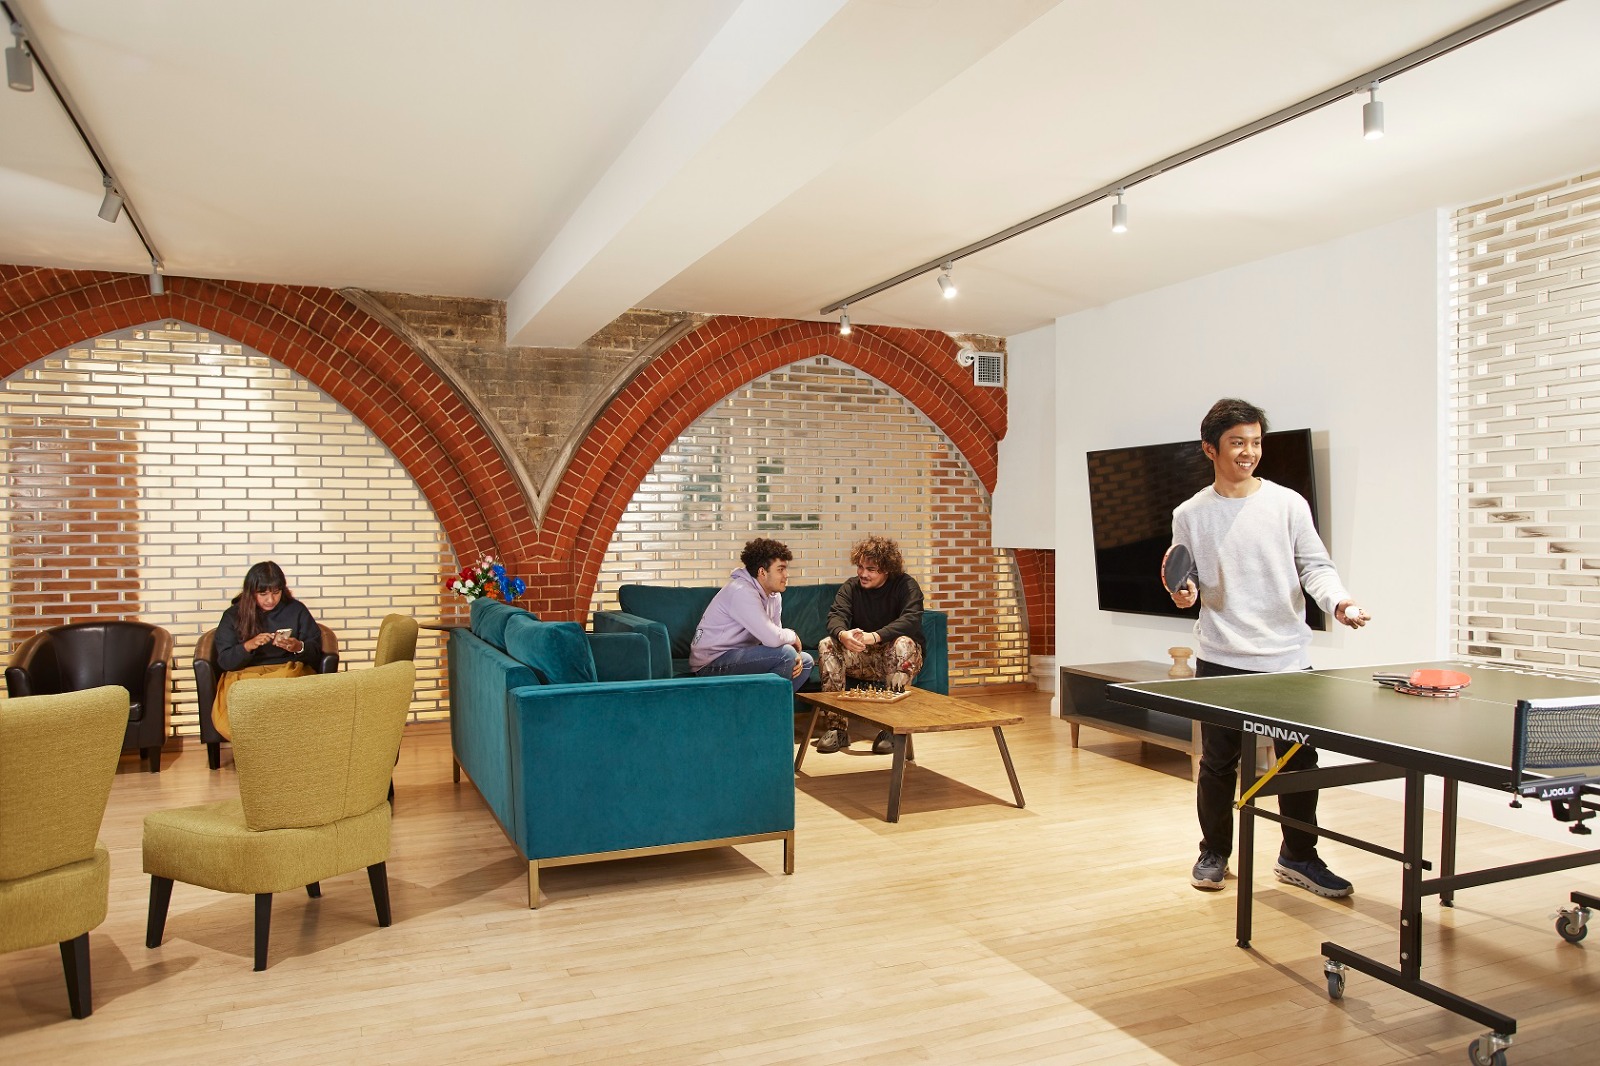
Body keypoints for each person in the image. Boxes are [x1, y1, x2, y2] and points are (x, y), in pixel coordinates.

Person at [1168, 398, 1369, 898]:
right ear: (1210, 449)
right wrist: (1184, 594)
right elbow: (1187, 575)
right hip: (1221, 658)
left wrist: (1339, 602)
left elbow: (1314, 567)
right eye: (1237, 442)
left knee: (1298, 763)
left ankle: (1299, 857)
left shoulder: (1288, 504)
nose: (1249, 452)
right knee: (1218, 764)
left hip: (1287, 661)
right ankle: (1214, 852)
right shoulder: (1190, 514)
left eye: (1256, 442)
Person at [814, 535, 926, 755]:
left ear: (887, 570)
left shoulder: (906, 585)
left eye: (871, 569)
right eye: (860, 567)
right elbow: (836, 616)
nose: (863, 574)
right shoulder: (851, 587)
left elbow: (911, 619)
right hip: (863, 657)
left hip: (899, 657)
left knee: (904, 643)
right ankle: (837, 729)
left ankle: (892, 728)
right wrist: (843, 634)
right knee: (827, 643)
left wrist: (875, 636)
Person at [212, 560, 323, 739]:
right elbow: (225, 661)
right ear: (251, 592)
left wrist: (298, 647)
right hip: (245, 675)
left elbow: (316, 650)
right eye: (262, 594)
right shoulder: (233, 615)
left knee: (289, 684)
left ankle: (283, 746)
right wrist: (248, 646)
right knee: (240, 697)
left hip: (286, 672)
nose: (270, 600)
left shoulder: (296, 610)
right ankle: (258, 747)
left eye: (276, 592)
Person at [690, 538, 814, 693]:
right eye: (780, 569)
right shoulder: (741, 591)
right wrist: (793, 636)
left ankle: (763, 704)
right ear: (762, 572)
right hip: (711, 663)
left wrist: (792, 649)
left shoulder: (774, 596)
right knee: (786, 655)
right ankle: (764, 707)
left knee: (805, 662)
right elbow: (774, 638)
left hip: (740, 657)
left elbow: (776, 638)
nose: (786, 575)